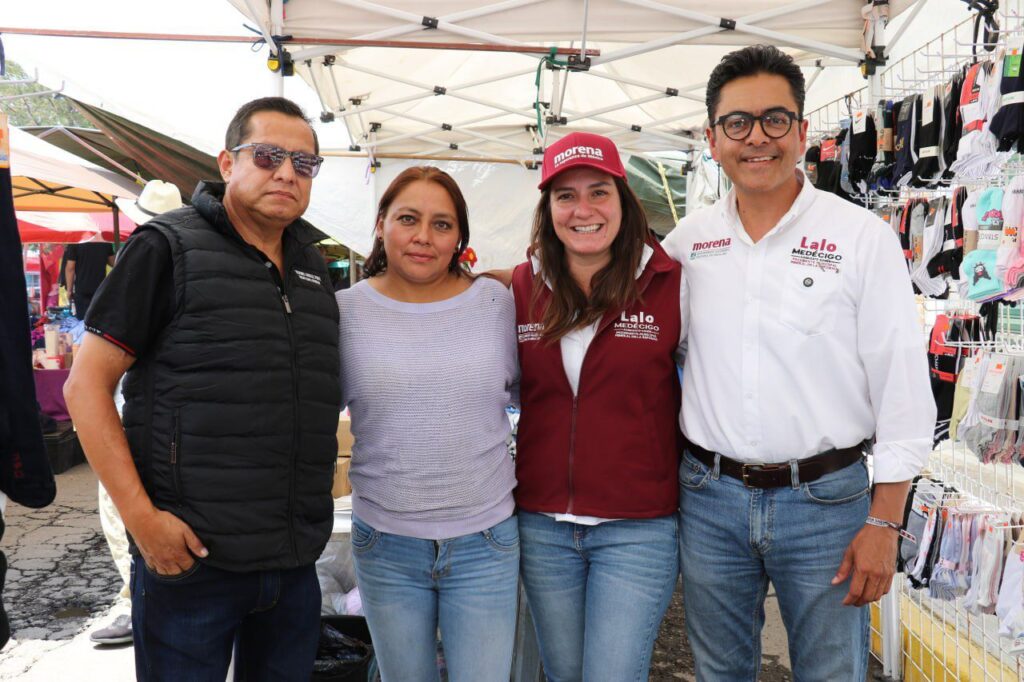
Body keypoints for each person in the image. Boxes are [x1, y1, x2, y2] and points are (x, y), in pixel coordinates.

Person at [660, 45, 935, 680]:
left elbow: (902, 389)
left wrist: (885, 523)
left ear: (803, 131)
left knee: (832, 672)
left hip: (827, 503)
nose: (756, 138)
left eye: (775, 119)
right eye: (737, 123)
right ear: (712, 138)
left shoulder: (861, 237)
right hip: (709, 498)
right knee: (718, 672)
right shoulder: (687, 244)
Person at [64, 97, 340, 680]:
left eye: (304, 163)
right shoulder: (166, 246)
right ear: (226, 163)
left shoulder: (313, 269)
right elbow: (85, 388)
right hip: (192, 563)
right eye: (267, 155)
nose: (287, 172)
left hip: (291, 565)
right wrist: (142, 521)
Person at [511, 132, 684, 681]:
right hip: (543, 525)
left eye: (597, 192)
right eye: (565, 196)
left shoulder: (669, 282)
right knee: (563, 674)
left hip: (637, 527)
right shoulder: (520, 285)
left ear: (623, 200)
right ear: (548, 208)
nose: (582, 210)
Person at [337, 166, 519, 681]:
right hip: (386, 543)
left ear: (460, 235)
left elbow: (537, 390)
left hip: (485, 540)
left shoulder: (495, 305)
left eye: (442, 224)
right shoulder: (344, 312)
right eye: (408, 219)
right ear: (380, 225)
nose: (423, 237)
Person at [88, 180, 184, 647]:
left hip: (134, 416)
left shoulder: (144, 258)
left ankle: (132, 600)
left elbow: (87, 383)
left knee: (119, 513)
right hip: (152, 418)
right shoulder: (183, 259)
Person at [64, 238, 114, 319]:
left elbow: (70, 268)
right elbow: (114, 263)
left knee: (83, 323)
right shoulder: (105, 242)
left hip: (82, 290)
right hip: (100, 290)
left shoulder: (76, 242)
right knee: (98, 323)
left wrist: (69, 290)